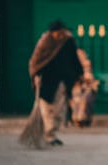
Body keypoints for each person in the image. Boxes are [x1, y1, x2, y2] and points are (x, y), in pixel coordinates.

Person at [19, 20, 83, 148]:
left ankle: (51, 133)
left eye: (61, 32)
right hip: (47, 80)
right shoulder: (45, 42)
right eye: (56, 33)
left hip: (62, 81)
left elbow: (74, 58)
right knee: (46, 108)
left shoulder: (68, 41)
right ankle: (48, 135)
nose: (59, 35)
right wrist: (36, 75)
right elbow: (35, 61)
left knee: (59, 109)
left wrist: (78, 74)